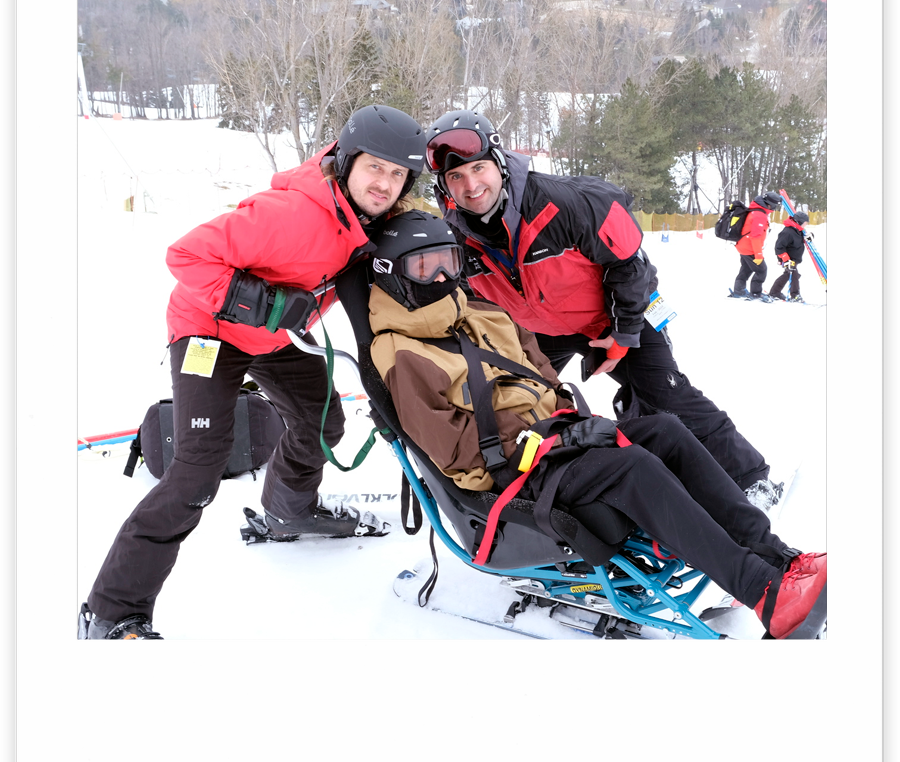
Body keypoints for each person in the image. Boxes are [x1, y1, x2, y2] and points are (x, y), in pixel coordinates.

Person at [367, 211, 827, 639]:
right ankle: (764, 592)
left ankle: (779, 560)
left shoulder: (482, 313)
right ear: (394, 275)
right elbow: (456, 455)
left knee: (664, 429)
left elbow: (543, 373)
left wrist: (570, 424)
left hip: (555, 442)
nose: (443, 276)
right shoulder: (401, 353)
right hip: (515, 476)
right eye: (424, 267)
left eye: (448, 261)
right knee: (633, 469)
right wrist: (548, 439)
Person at [78, 105, 428, 640]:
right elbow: (186, 256)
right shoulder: (291, 215)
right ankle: (111, 610)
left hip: (274, 336)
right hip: (209, 329)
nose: (384, 182)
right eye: (374, 167)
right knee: (198, 468)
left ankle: (288, 511)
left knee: (322, 424)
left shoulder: (370, 223)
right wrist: (256, 301)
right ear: (347, 160)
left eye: (396, 174)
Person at [423, 109, 780, 505]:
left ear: (500, 163)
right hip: (543, 329)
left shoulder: (566, 204)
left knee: (665, 394)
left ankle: (750, 478)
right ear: (444, 186)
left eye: (479, 169)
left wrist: (623, 333)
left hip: (615, 312)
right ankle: (530, 508)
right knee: (516, 406)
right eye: (456, 177)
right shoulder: (455, 236)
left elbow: (631, 264)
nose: (471, 185)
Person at [732, 191, 782, 299]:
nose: (775, 208)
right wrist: (758, 254)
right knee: (761, 270)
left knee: (746, 268)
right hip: (749, 248)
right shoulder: (759, 215)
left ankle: (738, 290)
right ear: (770, 204)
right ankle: (755, 292)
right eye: (775, 205)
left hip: (742, 245)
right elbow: (755, 236)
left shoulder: (755, 210)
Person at [767, 210, 810, 302]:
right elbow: (779, 247)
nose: (805, 225)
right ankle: (795, 295)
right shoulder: (788, 232)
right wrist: (786, 260)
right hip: (788, 259)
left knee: (788, 275)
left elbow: (801, 237)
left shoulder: (798, 230)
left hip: (794, 259)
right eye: (805, 223)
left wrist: (810, 236)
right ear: (799, 222)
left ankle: (775, 292)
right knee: (793, 275)